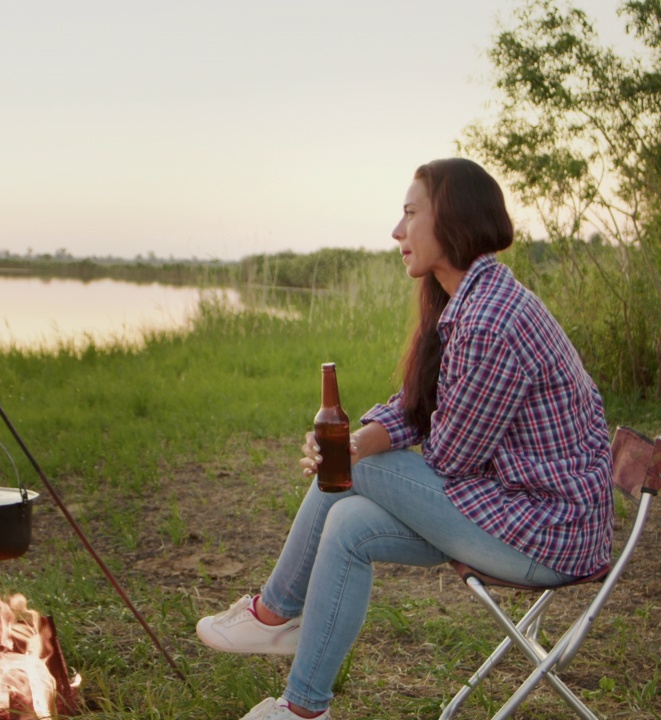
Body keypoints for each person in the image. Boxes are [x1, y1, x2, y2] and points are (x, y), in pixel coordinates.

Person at [195, 158, 614, 720]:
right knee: (346, 521)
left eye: (411, 213)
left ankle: (273, 614)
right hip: (514, 508)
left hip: (546, 531)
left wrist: (354, 452)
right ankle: (302, 710)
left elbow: (449, 459)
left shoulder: (491, 321)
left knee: (352, 468)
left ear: (454, 221)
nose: (396, 231)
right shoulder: (468, 301)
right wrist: (368, 436)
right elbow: (422, 405)